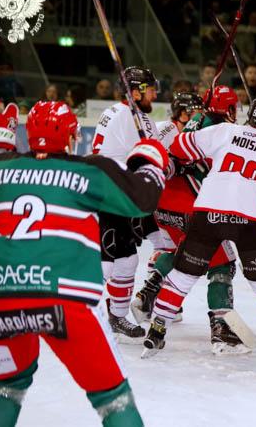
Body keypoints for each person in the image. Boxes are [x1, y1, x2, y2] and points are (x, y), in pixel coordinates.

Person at [0, 100, 168, 427]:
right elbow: (143, 200)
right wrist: (151, 159)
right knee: (112, 396)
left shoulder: (0, 169)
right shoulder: (90, 169)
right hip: (64, 299)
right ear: (71, 137)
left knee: (6, 386)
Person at [142, 92, 256, 362]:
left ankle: (156, 331)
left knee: (183, 276)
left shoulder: (226, 131)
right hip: (250, 220)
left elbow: (179, 146)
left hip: (209, 212)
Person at [131, 90, 250, 355]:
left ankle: (148, 293)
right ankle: (222, 330)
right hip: (191, 205)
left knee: (183, 253)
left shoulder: (192, 123)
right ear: (229, 109)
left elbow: (170, 157)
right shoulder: (226, 131)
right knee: (222, 263)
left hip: (163, 203)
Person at [92, 66, 161, 339]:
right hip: (108, 194)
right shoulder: (123, 115)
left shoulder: (138, 117)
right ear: (136, 92)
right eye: (150, 89)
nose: (155, 94)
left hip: (122, 197)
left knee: (127, 260)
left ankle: (117, 317)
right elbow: (137, 159)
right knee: (107, 262)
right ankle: (76, 311)